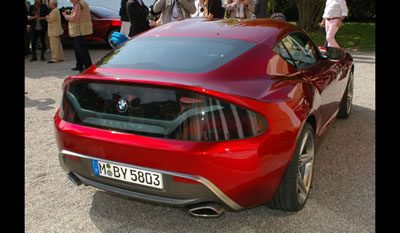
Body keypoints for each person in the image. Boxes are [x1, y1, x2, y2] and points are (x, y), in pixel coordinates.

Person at [62, 0, 93, 72]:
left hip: (79, 30)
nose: (70, 1)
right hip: (80, 29)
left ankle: (87, 66)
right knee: (78, 49)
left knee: (81, 49)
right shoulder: (82, 3)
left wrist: (65, 16)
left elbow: (75, 18)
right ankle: (80, 65)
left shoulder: (78, 4)